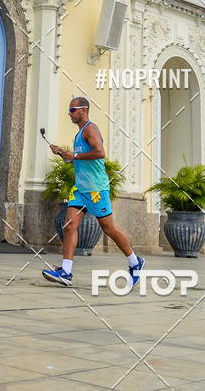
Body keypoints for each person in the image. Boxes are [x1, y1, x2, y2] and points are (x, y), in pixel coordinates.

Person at [42, 96, 145, 288]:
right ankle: (66, 271)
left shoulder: (90, 128)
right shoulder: (79, 134)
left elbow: (100, 152)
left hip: (96, 190)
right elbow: (79, 159)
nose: (69, 113)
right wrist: (64, 154)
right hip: (80, 190)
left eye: (72, 110)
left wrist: (76, 155)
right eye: (70, 110)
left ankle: (135, 262)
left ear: (83, 110)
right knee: (70, 225)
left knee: (109, 229)